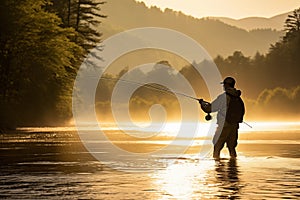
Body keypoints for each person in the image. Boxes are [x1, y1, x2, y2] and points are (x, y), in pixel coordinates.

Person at [199, 77, 245, 159]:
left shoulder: (223, 97)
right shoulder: (238, 97)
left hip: (224, 126)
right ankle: (233, 168)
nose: (223, 86)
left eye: (224, 84)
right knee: (232, 148)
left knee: (217, 146)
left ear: (227, 85)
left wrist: (202, 104)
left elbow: (210, 109)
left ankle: (217, 167)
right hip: (234, 126)